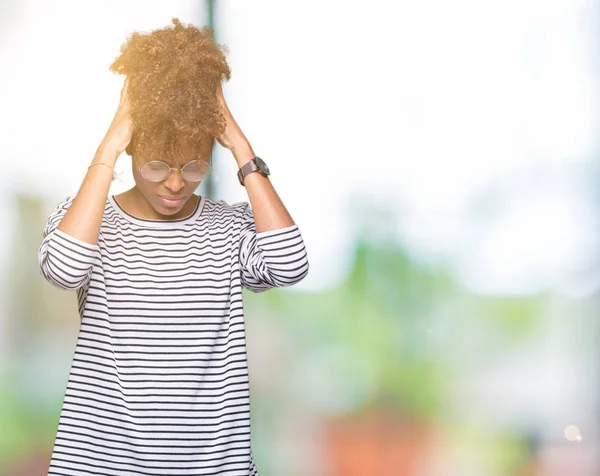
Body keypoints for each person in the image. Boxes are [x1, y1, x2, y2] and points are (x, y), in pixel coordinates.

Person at [38, 18, 309, 476]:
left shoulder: (228, 229)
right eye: (158, 163)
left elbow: (289, 264)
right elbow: (63, 269)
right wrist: (113, 138)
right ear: (130, 147)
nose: (176, 182)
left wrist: (240, 146)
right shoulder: (86, 221)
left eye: (193, 164)